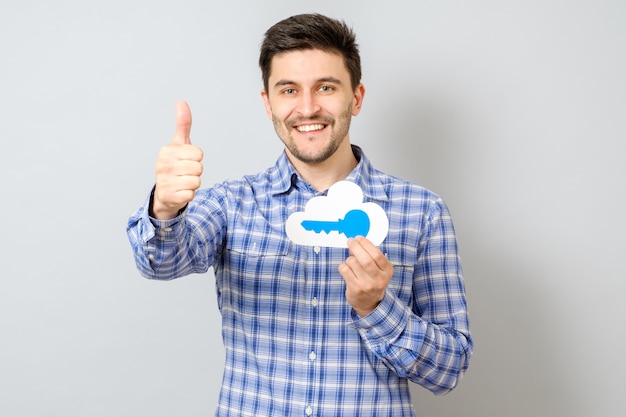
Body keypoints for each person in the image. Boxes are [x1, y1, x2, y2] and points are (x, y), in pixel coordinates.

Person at [127, 13, 472, 417]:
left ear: (356, 97)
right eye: (289, 90)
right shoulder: (232, 204)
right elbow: (159, 262)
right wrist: (165, 209)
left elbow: (449, 369)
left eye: (326, 87)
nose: (307, 108)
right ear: (268, 102)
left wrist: (378, 308)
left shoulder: (421, 212)